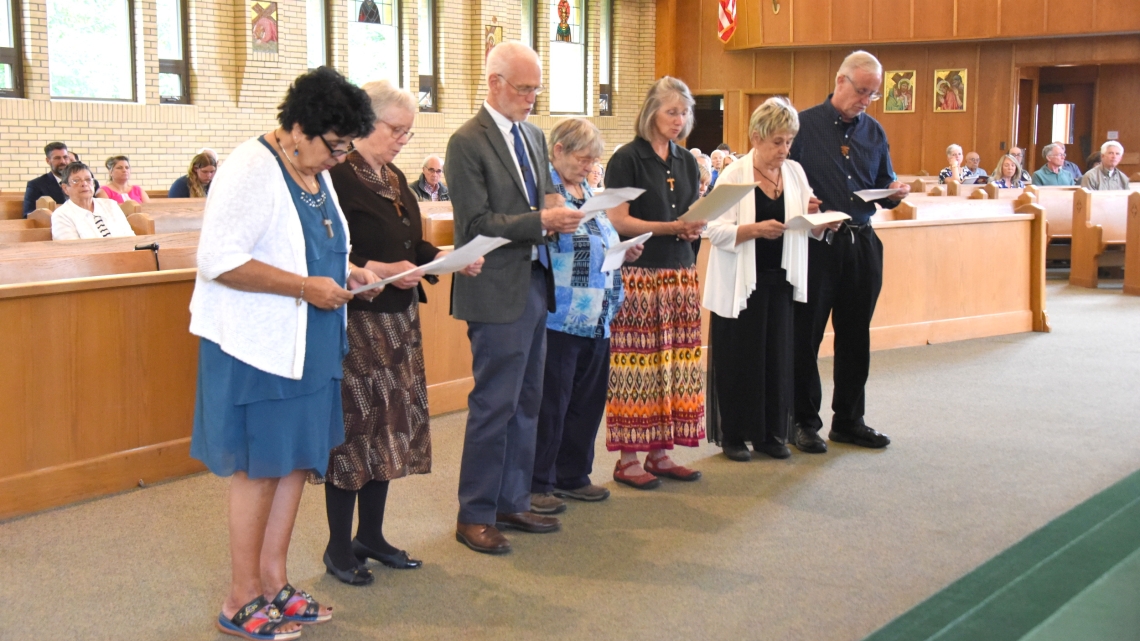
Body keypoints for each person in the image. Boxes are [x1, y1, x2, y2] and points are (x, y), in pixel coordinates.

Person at [188, 67, 380, 638]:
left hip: (311, 343)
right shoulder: (251, 166)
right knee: (259, 470)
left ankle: (274, 581)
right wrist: (305, 287)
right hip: (258, 347)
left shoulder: (314, 173)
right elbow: (218, 258)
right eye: (334, 145)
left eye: (347, 147)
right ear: (298, 127)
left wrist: (350, 270)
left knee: (295, 462)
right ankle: (239, 595)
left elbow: (310, 246)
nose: (339, 158)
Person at [318, 79, 484, 584]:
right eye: (396, 130)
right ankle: (337, 546)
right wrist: (370, 264)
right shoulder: (336, 177)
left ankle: (372, 534)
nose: (401, 140)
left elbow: (413, 244)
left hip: (399, 322)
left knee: (389, 430)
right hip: (358, 322)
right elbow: (328, 253)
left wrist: (447, 259)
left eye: (409, 134)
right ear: (366, 122)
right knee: (354, 435)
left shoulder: (393, 178)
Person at [446, 42, 584, 555]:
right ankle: (474, 513)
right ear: (495, 82)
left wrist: (562, 209)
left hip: (535, 279)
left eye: (536, 90)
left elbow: (542, 195)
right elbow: (475, 224)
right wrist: (541, 221)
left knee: (528, 400)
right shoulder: (466, 141)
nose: (531, 98)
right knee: (494, 404)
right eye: (524, 88)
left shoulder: (532, 134)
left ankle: (512, 498)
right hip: (494, 285)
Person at [789, 50, 910, 453]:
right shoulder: (802, 126)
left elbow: (883, 183)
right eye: (862, 91)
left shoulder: (873, 131)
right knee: (806, 335)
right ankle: (803, 421)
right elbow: (775, 180)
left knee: (856, 335)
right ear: (841, 81)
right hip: (816, 244)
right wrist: (797, 201)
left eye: (872, 94)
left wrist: (893, 193)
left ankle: (849, 420)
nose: (866, 100)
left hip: (861, 242)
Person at [705, 98, 834, 462]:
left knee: (776, 358)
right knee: (740, 359)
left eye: (789, 140)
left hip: (781, 280)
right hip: (741, 282)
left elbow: (802, 224)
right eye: (777, 141)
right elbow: (712, 229)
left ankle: (769, 434)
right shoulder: (734, 175)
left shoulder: (794, 173)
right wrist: (752, 230)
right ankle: (734, 435)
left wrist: (822, 224)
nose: (784, 149)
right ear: (756, 137)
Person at [530, 118, 643, 515]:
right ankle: (539, 480)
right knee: (552, 403)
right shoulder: (547, 193)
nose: (589, 166)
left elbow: (597, 238)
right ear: (558, 150)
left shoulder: (589, 189)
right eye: (583, 159)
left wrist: (622, 249)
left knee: (587, 401)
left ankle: (572, 474)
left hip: (599, 315)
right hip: (562, 314)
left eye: (594, 160)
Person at [603, 76, 707, 490]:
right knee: (638, 365)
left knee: (675, 364)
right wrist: (669, 227)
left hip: (680, 271)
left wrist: (691, 229)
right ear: (651, 113)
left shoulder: (685, 160)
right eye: (671, 112)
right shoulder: (627, 158)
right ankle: (628, 459)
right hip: (640, 274)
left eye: (684, 113)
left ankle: (661, 453)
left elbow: (688, 213)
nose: (679, 120)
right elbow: (617, 219)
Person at [50, 161, 136, 240]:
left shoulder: (110, 205)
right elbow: (71, 250)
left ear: (94, 184)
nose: (84, 184)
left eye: (88, 179)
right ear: (65, 188)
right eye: (76, 181)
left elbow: (130, 238)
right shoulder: (61, 215)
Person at [23, 142, 99, 216]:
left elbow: (98, 207)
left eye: (65, 157)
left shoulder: (89, 182)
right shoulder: (36, 185)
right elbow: (28, 214)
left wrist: (56, 207)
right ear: (48, 160)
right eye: (57, 158)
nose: (63, 161)